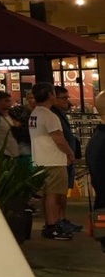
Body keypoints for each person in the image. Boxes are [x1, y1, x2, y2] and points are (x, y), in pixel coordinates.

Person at [28, 82, 75, 240]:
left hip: (40, 159)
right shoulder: (49, 116)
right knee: (54, 195)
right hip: (53, 160)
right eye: (54, 93)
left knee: (47, 194)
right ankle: (53, 226)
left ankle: (50, 224)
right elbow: (58, 139)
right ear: (50, 95)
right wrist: (70, 153)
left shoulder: (35, 113)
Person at [52, 86, 84, 234]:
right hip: (61, 157)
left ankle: (61, 218)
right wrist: (69, 153)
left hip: (66, 157)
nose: (67, 101)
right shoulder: (53, 114)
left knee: (63, 190)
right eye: (63, 98)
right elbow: (59, 138)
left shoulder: (59, 112)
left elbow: (69, 105)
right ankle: (58, 219)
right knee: (58, 191)